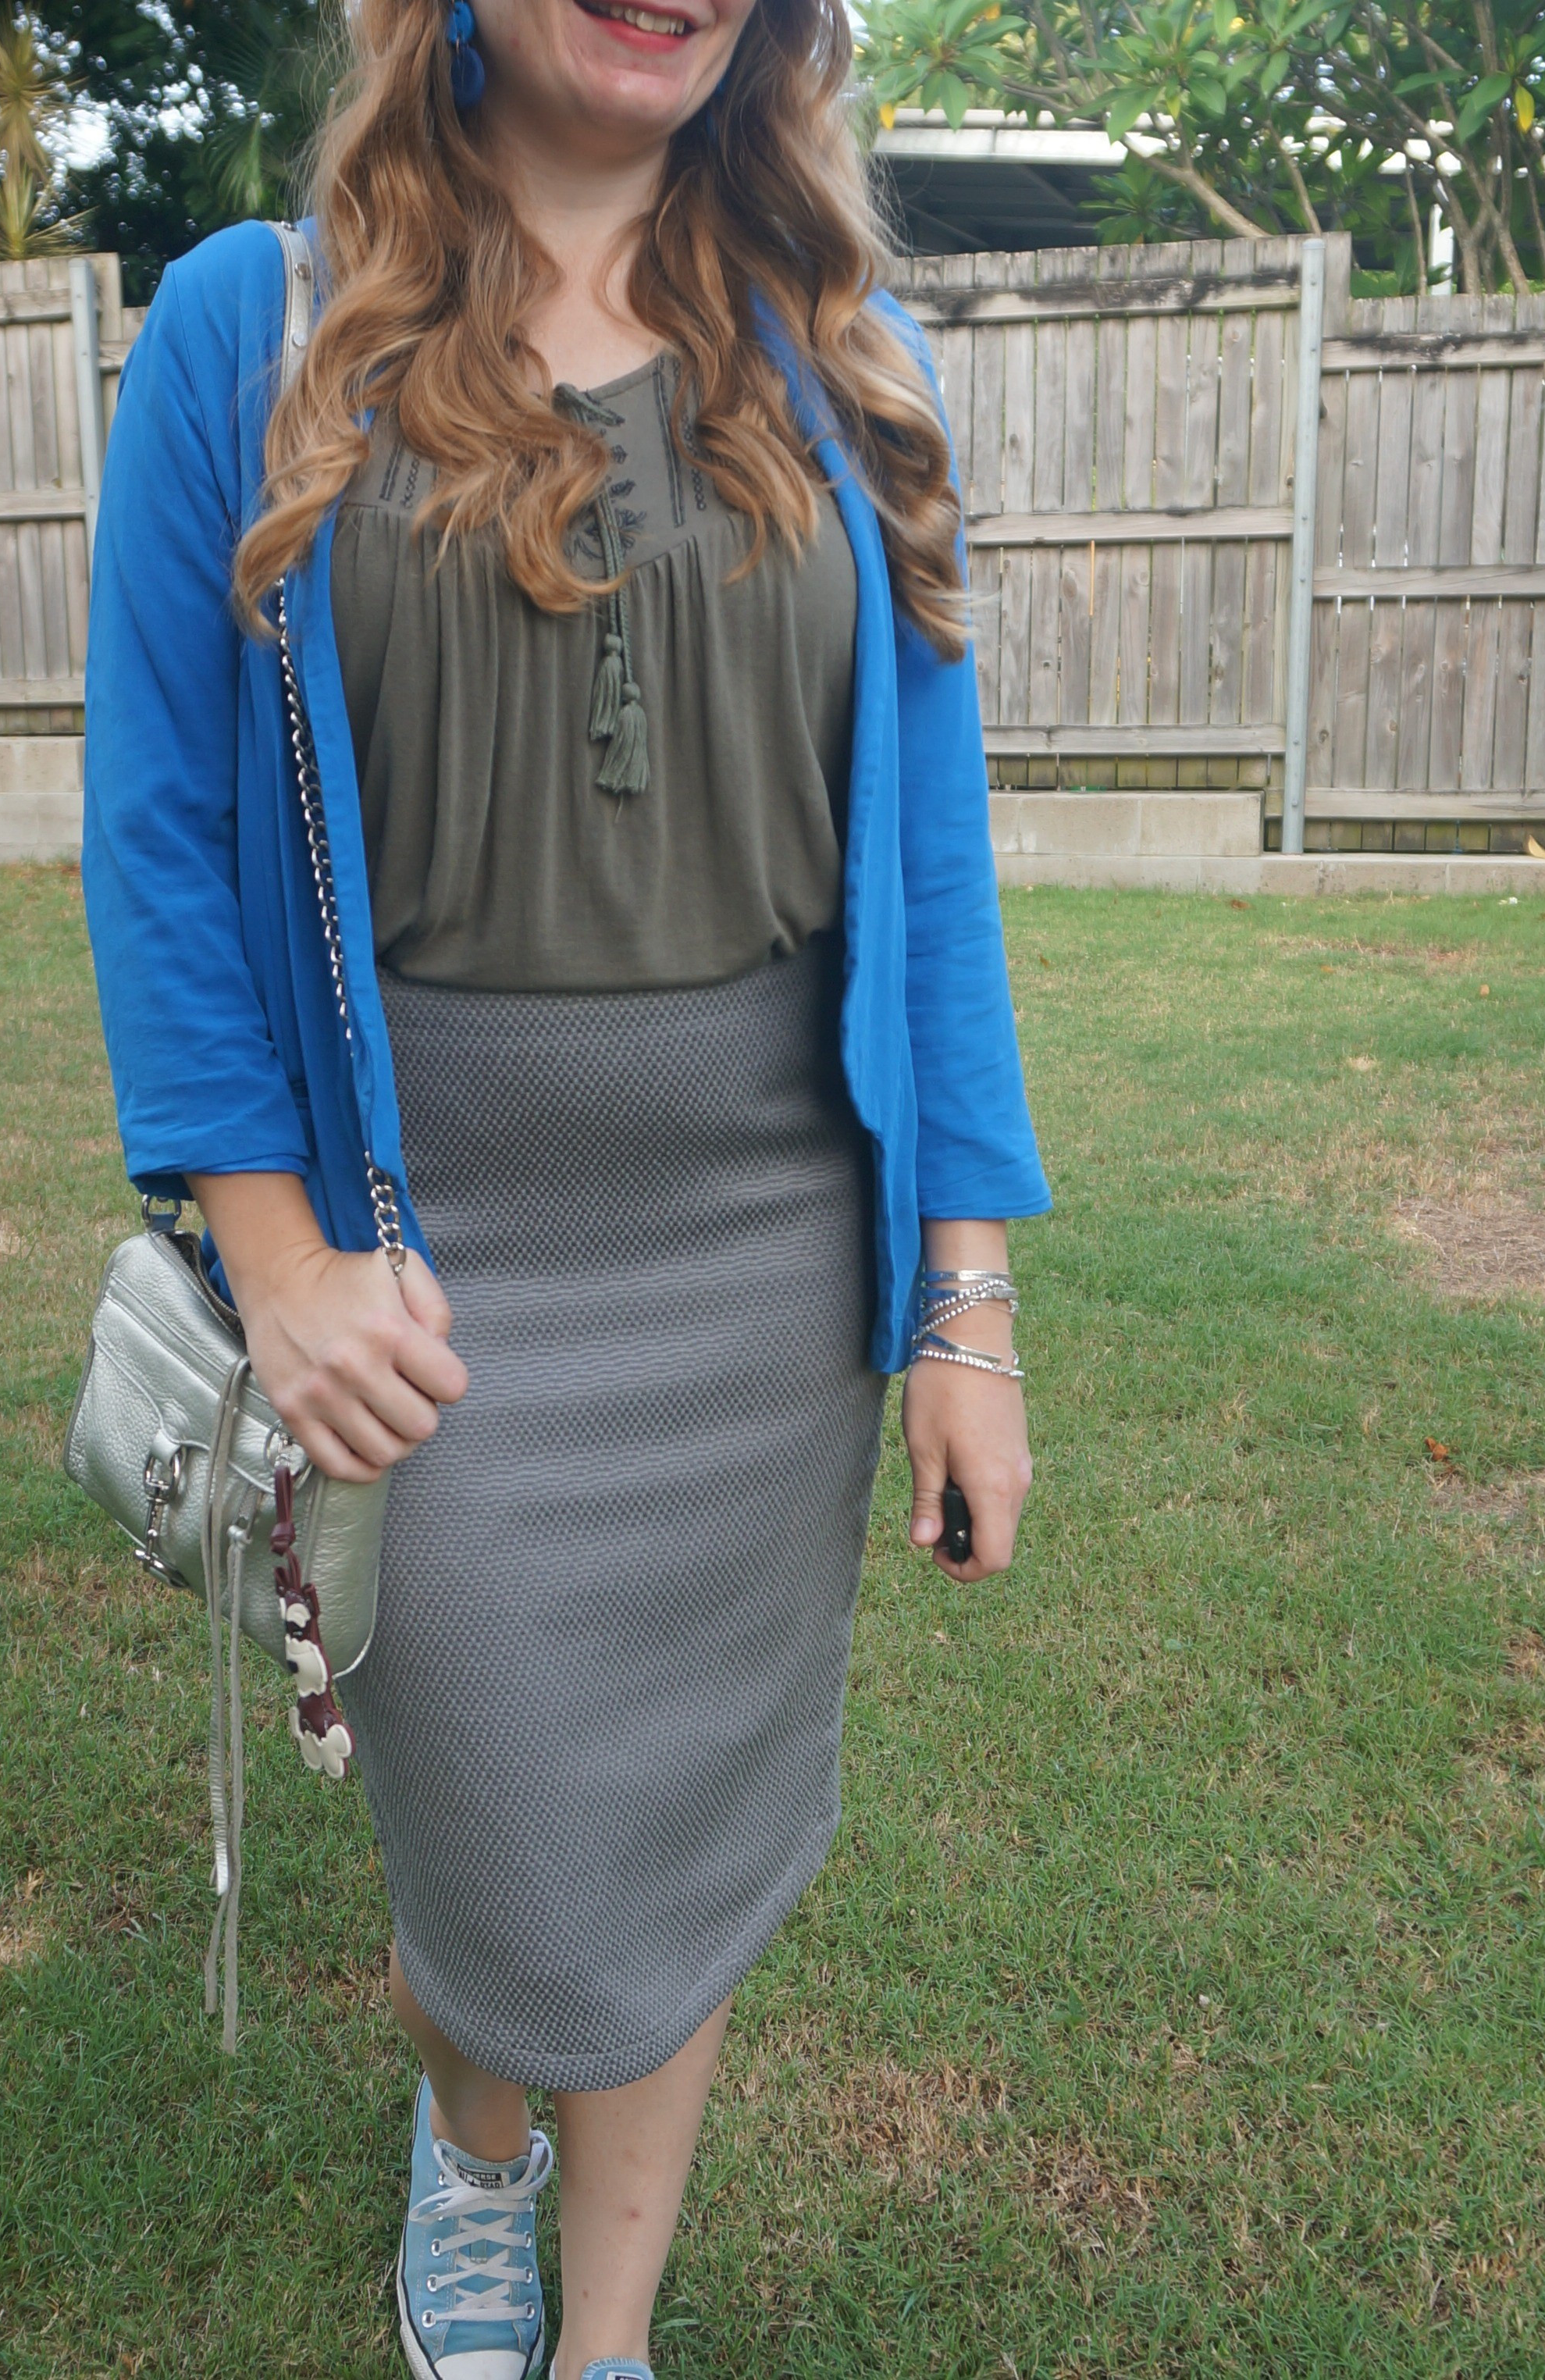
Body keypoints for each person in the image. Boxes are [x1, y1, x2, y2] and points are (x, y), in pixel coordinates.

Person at [81, 0, 1048, 2370]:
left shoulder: (841, 350)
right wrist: (279, 1262)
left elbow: (932, 865)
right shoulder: (263, 328)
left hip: (761, 1264)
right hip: (428, 1266)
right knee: (492, 1842)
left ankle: (596, 2331)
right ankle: (475, 2145)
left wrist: (965, 1304)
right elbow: (162, 836)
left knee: (679, 1840)